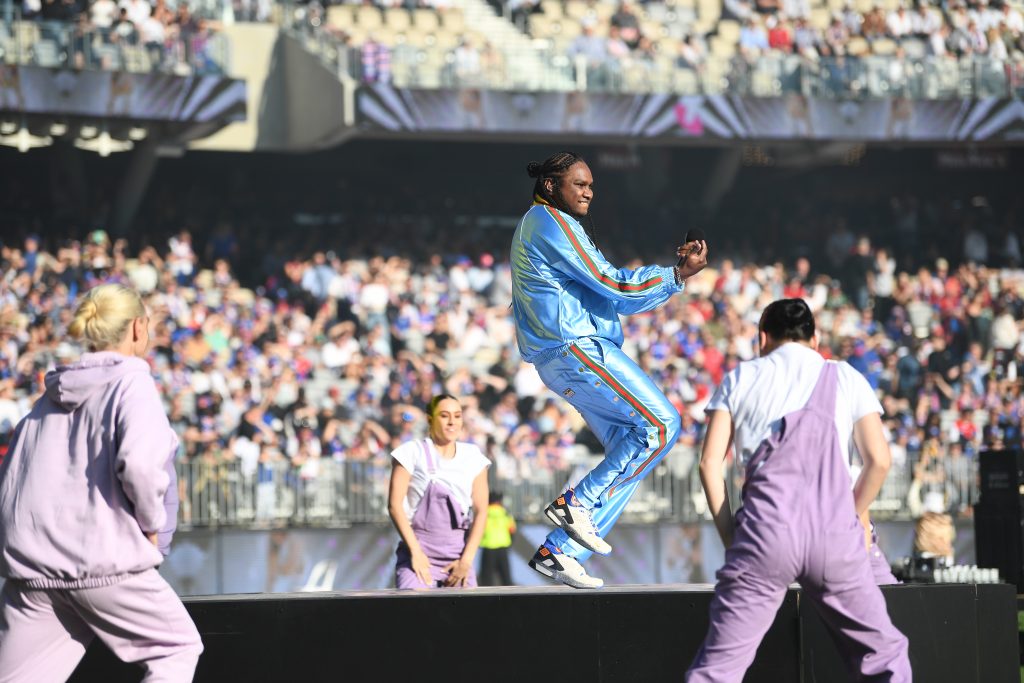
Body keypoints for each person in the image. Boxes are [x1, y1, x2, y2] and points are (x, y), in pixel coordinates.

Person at [510, 151, 708, 589]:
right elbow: (615, 285)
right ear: (549, 186)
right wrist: (677, 274)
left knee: (632, 445)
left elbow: (611, 295)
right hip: (576, 347)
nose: (588, 192)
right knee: (661, 425)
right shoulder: (551, 223)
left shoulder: (541, 225)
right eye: (579, 184)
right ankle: (575, 503)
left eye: (592, 185)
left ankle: (560, 551)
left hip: (557, 356)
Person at [687, 299, 910, 682]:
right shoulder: (844, 376)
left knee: (719, 670)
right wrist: (851, 515)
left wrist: (732, 537)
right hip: (834, 537)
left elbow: (710, 464)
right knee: (886, 657)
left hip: (766, 532)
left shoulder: (742, 377)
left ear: (762, 338)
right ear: (815, 338)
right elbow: (880, 461)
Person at [0, 283, 203, 682]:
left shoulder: (47, 398)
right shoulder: (132, 383)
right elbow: (142, 466)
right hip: (104, 566)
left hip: (33, 573)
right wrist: (150, 527)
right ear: (138, 328)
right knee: (178, 649)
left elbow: (13, 479)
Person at [388, 394, 490, 589]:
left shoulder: (473, 456)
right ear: (430, 419)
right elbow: (394, 506)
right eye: (444, 415)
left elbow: (481, 511)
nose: (452, 422)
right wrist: (416, 554)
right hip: (417, 552)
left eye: (457, 416)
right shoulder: (411, 452)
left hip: (458, 554)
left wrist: (466, 562)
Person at [478, 490, 517, 586]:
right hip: (503, 548)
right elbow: (512, 530)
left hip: (488, 548)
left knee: (486, 580)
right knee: (506, 579)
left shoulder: (483, 514)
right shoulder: (506, 513)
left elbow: (478, 530)